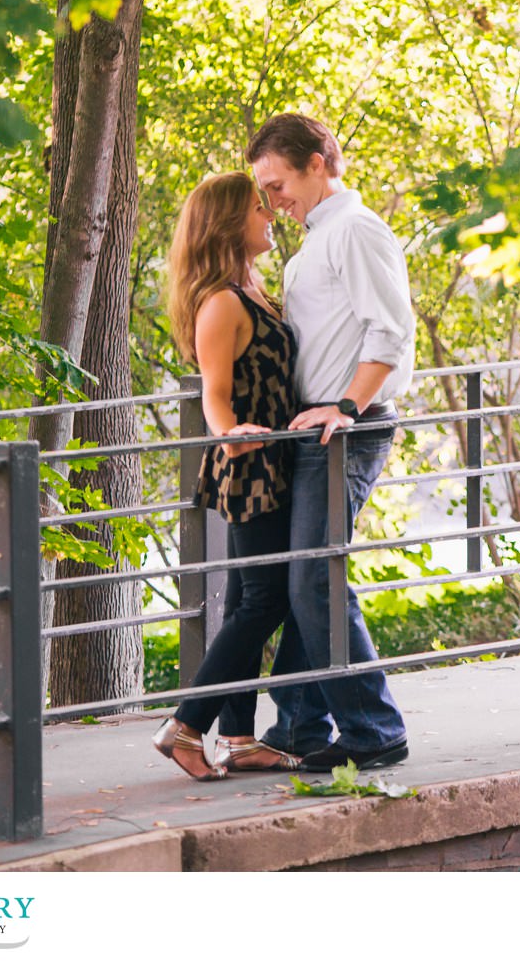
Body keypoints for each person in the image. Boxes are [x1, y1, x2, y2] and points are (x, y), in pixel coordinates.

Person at [247, 112, 413, 772]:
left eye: (278, 183)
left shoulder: (356, 230)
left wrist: (346, 406)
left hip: (347, 428)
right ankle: (299, 726)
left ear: (319, 162)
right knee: (302, 578)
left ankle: (375, 730)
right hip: (312, 428)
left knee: (316, 575)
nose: (272, 200)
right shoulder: (319, 239)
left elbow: (390, 332)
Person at [151, 172, 305, 780]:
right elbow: (215, 393)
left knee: (248, 599)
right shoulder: (220, 301)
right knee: (265, 601)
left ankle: (239, 738)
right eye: (257, 207)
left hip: (273, 457)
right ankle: (186, 726)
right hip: (251, 464)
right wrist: (227, 431)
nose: (269, 213)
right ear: (226, 223)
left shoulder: (253, 290)